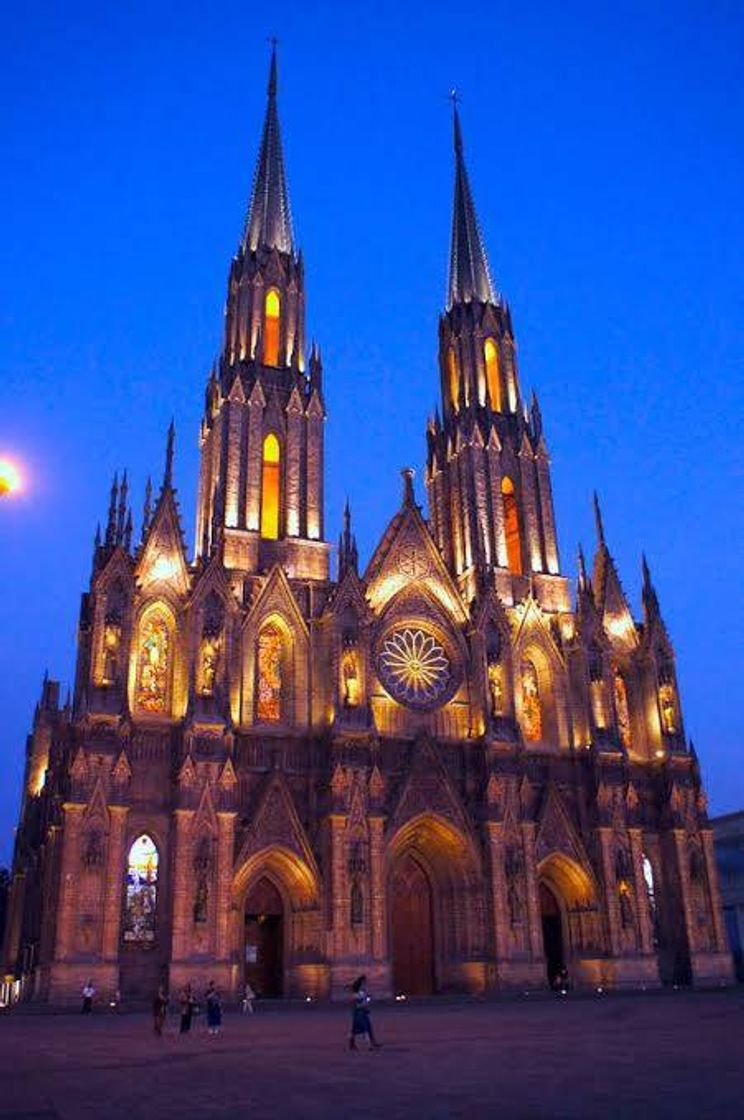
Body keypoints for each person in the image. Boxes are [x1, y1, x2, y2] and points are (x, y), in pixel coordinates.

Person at [348, 975, 381, 1051]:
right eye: (364, 982)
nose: (365, 984)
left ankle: (353, 1044)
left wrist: (366, 1001)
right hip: (359, 1012)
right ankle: (369, 1045)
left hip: (362, 1012)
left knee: (358, 1029)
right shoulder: (356, 994)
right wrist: (366, 1001)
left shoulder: (361, 992)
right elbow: (357, 1004)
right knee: (365, 1028)